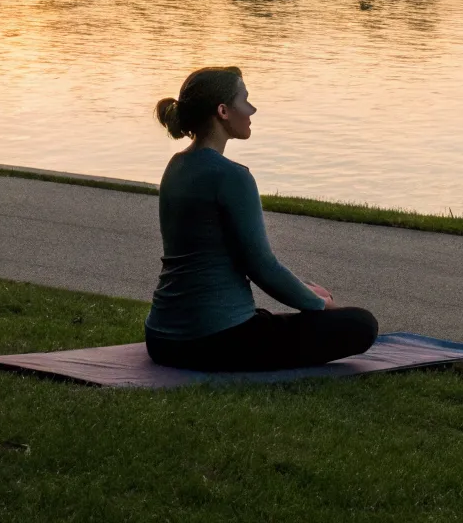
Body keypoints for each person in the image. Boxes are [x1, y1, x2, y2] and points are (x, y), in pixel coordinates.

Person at [144, 66, 378, 371]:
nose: (252, 109)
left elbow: (232, 259)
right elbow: (262, 267)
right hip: (213, 341)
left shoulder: (176, 166)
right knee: (361, 324)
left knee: (300, 297)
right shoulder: (232, 177)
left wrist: (305, 289)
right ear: (223, 111)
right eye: (245, 100)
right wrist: (321, 304)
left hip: (162, 340)